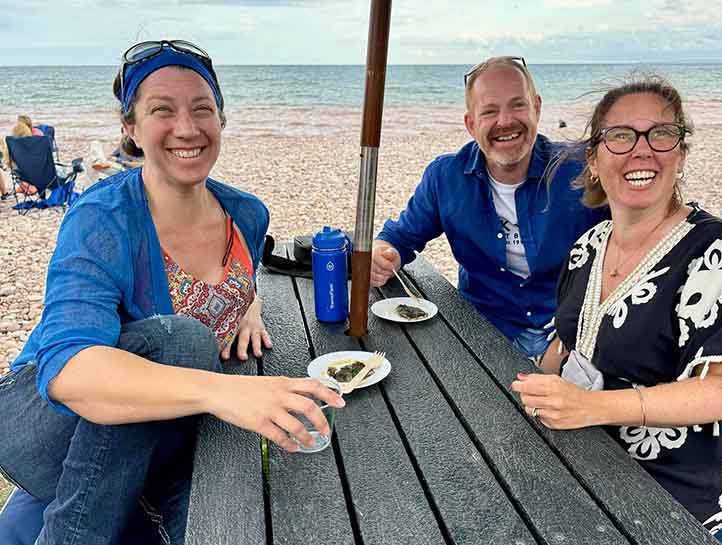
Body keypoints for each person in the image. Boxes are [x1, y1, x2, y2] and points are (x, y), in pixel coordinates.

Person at [0, 39, 344, 545]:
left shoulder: (246, 214)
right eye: (162, 110)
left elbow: (236, 281)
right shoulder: (102, 217)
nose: (187, 128)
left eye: (202, 109)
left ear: (221, 121)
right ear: (131, 128)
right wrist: (224, 391)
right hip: (49, 424)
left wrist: (249, 305)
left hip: (162, 435)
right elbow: (69, 371)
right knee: (180, 342)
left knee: (238, 516)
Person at [511, 77, 722, 544]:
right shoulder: (588, 247)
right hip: (585, 451)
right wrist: (532, 384)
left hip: (676, 487)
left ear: (680, 153)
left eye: (660, 134)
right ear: (595, 159)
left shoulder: (721, 248)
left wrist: (591, 406)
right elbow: (570, 337)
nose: (641, 151)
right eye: (621, 136)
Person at [370, 56, 608, 359]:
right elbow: (399, 239)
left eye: (518, 105)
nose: (505, 121)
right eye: (490, 111)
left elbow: (638, 237)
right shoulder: (446, 176)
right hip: (485, 329)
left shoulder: (584, 169)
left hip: (570, 333)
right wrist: (382, 254)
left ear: (537, 107)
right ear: (471, 124)